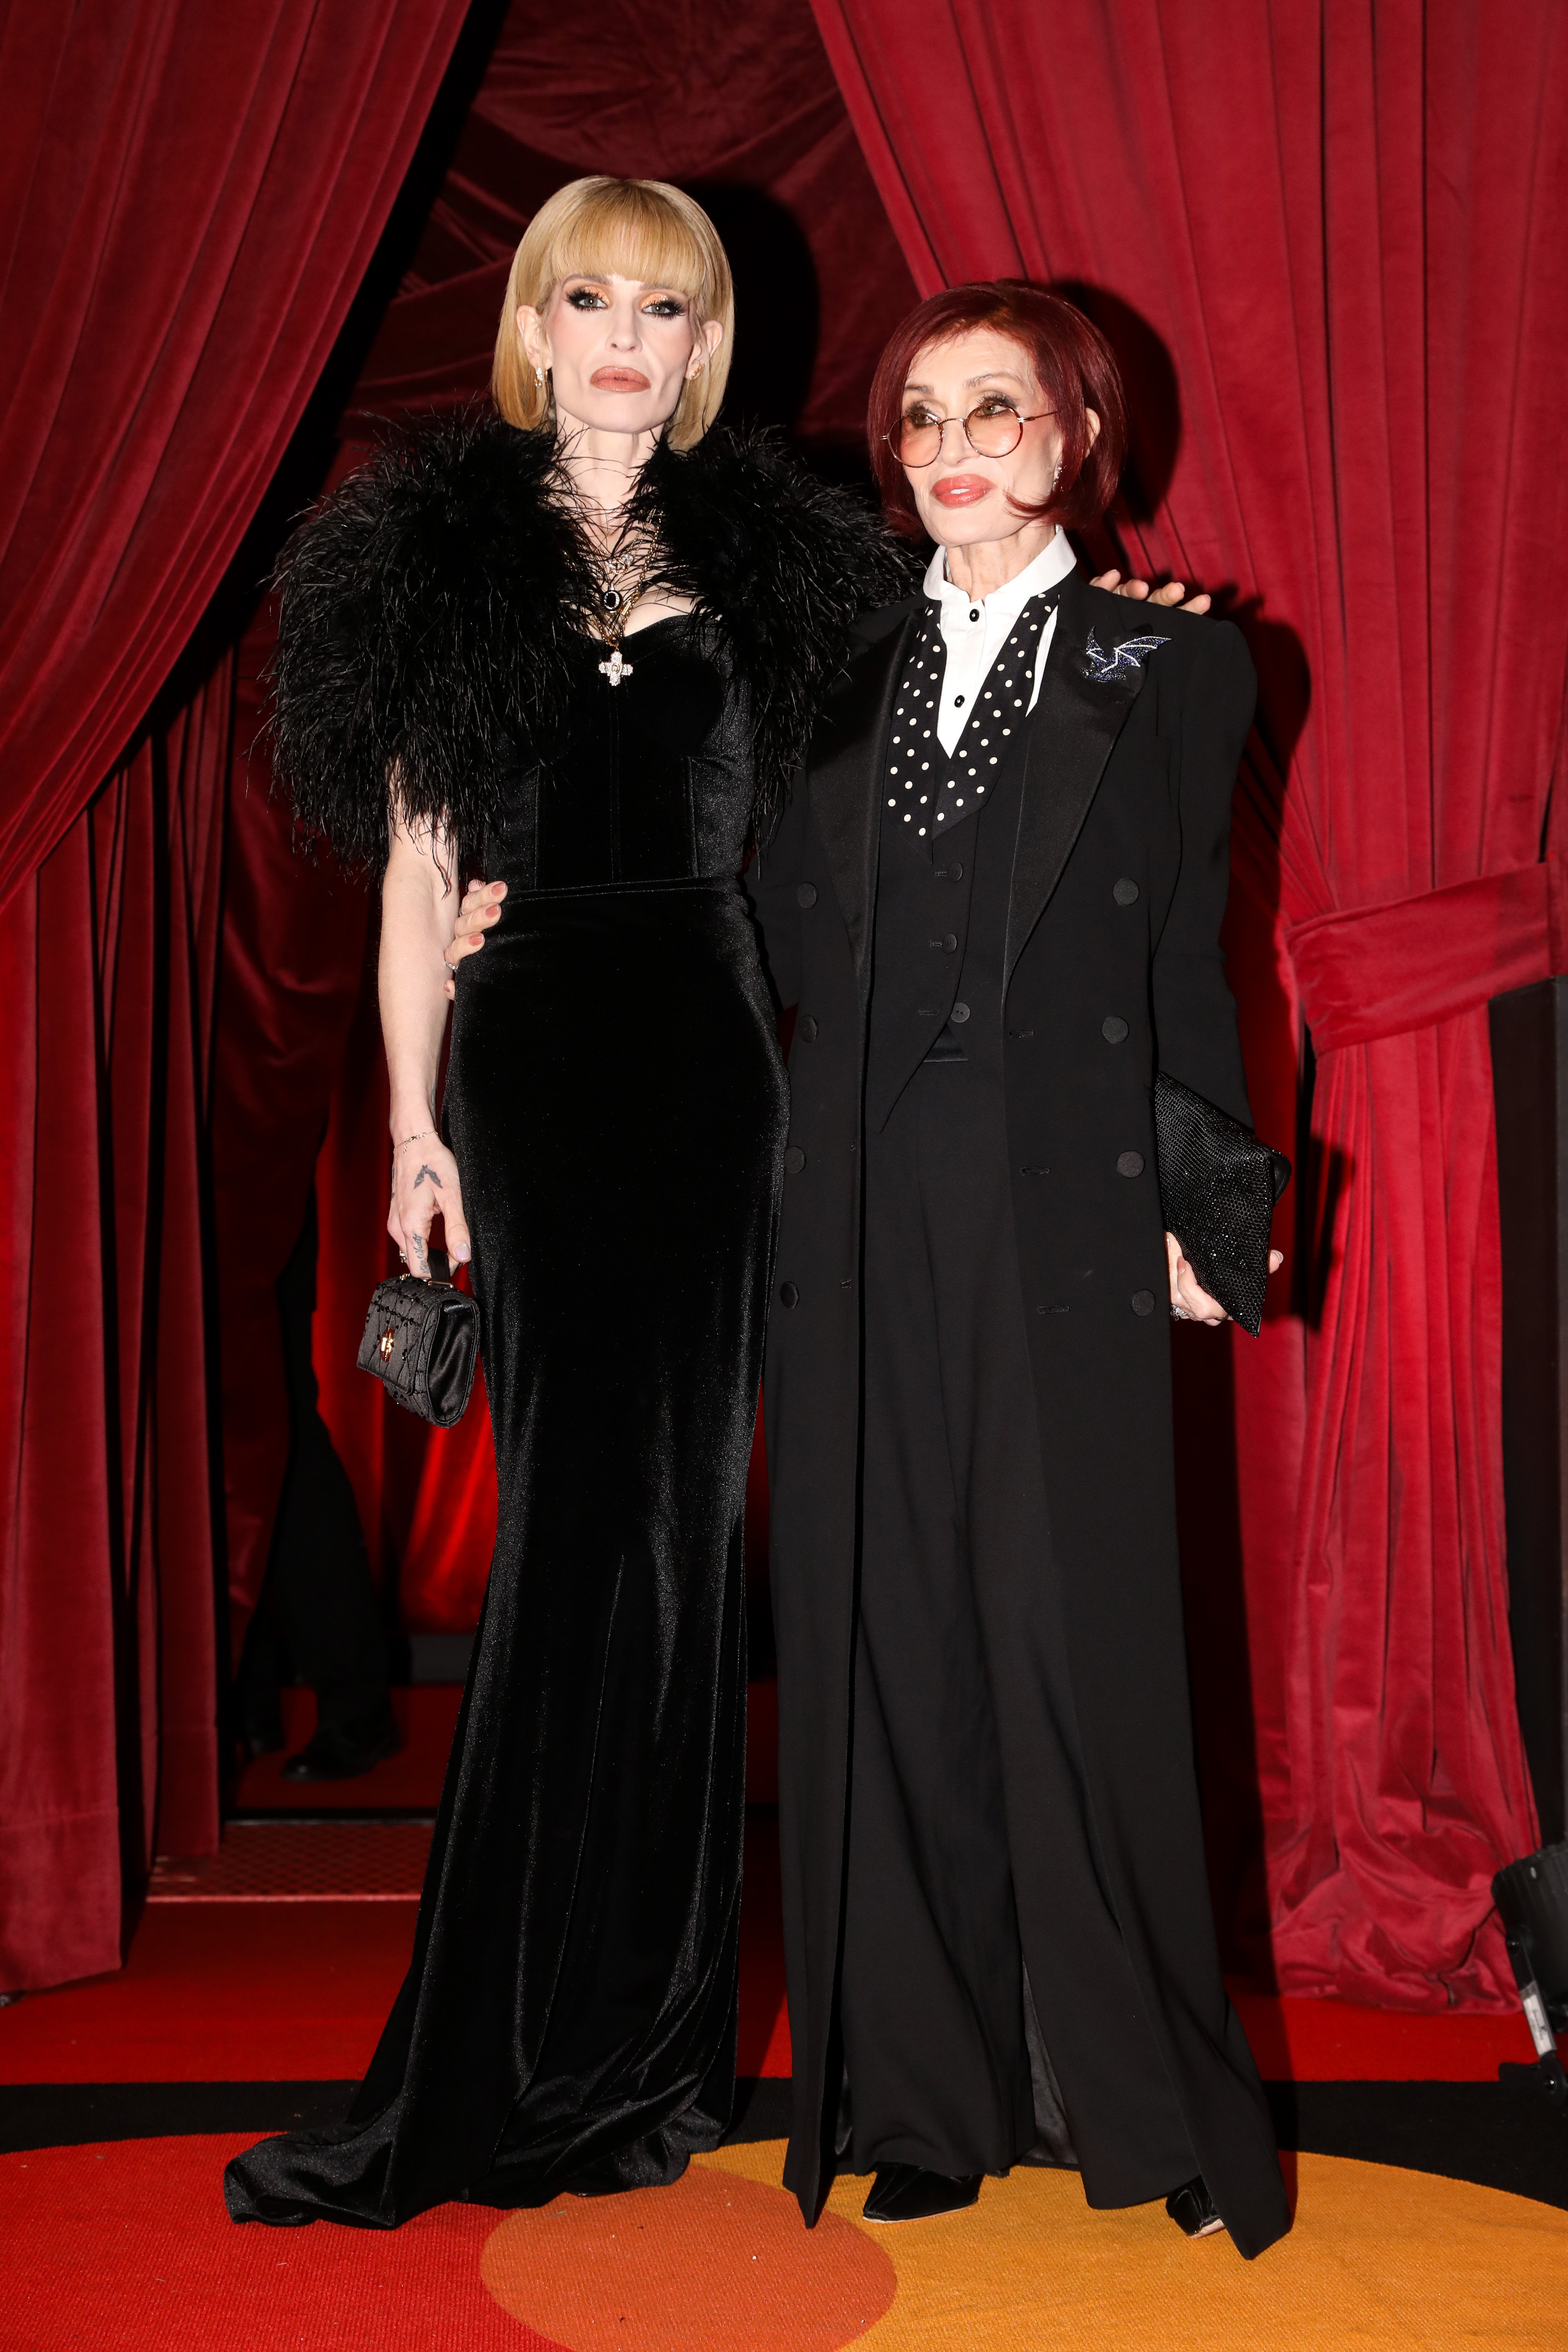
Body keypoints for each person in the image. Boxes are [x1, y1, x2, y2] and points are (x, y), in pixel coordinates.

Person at [224, 175, 911, 2229]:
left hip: (708, 1054)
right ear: (532, 325)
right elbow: (417, 875)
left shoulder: (775, 561)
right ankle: (496, 2042)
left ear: (704, 345)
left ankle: (646, 2044)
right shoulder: (434, 557)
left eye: (663, 308)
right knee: (563, 1531)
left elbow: (876, 811)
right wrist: (415, 1128)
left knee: (685, 1539)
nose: (624, 338)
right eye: (589, 299)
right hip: (525, 1060)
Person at [742, 283, 1291, 2257]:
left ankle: (1134, 2100)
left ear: (1077, 434)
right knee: (890, 1642)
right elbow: (757, 934)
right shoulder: (826, 666)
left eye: (996, 408)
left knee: (1074, 1645)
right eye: (918, 415)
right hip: (854, 1209)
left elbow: (1188, 964)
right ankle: (925, 2093)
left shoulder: (1175, 663)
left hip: (1063, 1207)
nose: (950, 447)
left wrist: (1205, 1210)